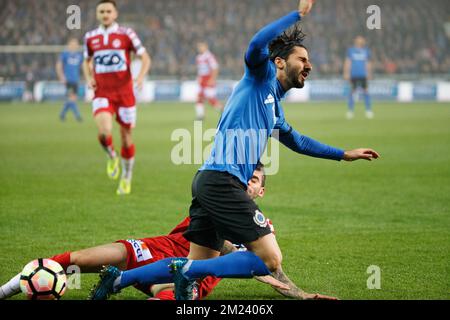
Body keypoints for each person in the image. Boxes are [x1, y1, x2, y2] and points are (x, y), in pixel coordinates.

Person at [90, 0, 378, 301]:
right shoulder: (259, 76)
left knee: (197, 262)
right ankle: (186, 272)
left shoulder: (274, 108)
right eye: (302, 59)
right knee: (269, 258)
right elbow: (256, 42)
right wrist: (297, 15)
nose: (309, 65)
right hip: (223, 183)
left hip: (209, 182)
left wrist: (343, 154)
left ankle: (119, 279)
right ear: (279, 62)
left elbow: (300, 142)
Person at [0, 166, 306, 300]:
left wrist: (300, 294)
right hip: (160, 248)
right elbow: (241, 255)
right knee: (81, 259)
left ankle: (122, 283)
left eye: (254, 180)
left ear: (261, 190)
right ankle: (8, 288)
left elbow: (269, 268)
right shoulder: (217, 197)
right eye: (245, 177)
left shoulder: (262, 228)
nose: (248, 183)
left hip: (192, 275)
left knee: (172, 296)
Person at [83, 0, 151, 195]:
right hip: (102, 92)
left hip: (125, 93)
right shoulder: (90, 37)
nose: (105, 14)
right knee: (105, 131)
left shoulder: (126, 34)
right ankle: (111, 155)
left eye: (108, 11)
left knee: (126, 136)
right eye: (101, 11)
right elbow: (86, 61)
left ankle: (126, 176)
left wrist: (139, 77)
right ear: (97, 14)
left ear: (115, 14)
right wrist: (89, 78)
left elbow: (145, 57)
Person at [343, 36, 373, 119]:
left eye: (362, 39)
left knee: (366, 92)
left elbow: (368, 63)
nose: (361, 40)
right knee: (352, 92)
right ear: (356, 41)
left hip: (363, 75)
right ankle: (350, 111)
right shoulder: (351, 51)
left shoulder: (366, 51)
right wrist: (346, 73)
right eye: (359, 39)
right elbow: (347, 62)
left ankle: (368, 110)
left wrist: (369, 73)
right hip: (354, 75)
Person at [56, 37, 83, 122]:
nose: (75, 45)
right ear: (69, 44)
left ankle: (62, 114)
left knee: (71, 99)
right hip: (68, 80)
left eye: (76, 44)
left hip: (76, 80)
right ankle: (78, 116)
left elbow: (83, 66)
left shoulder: (79, 55)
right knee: (72, 98)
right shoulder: (65, 54)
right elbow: (58, 65)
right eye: (73, 43)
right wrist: (61, 76)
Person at [194, 41, 223, 120]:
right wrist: (199, 78)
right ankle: (200, 115)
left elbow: (215, 68)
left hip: (208, 79)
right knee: (199, 97)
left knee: (210, 99)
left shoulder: (209, 56)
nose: (200, 48)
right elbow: (200, 70)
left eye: (201, 46)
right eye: (199, 47)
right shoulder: (199, 57)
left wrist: (212, 79)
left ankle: (223, 111)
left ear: (206, 47)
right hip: (202, 79)